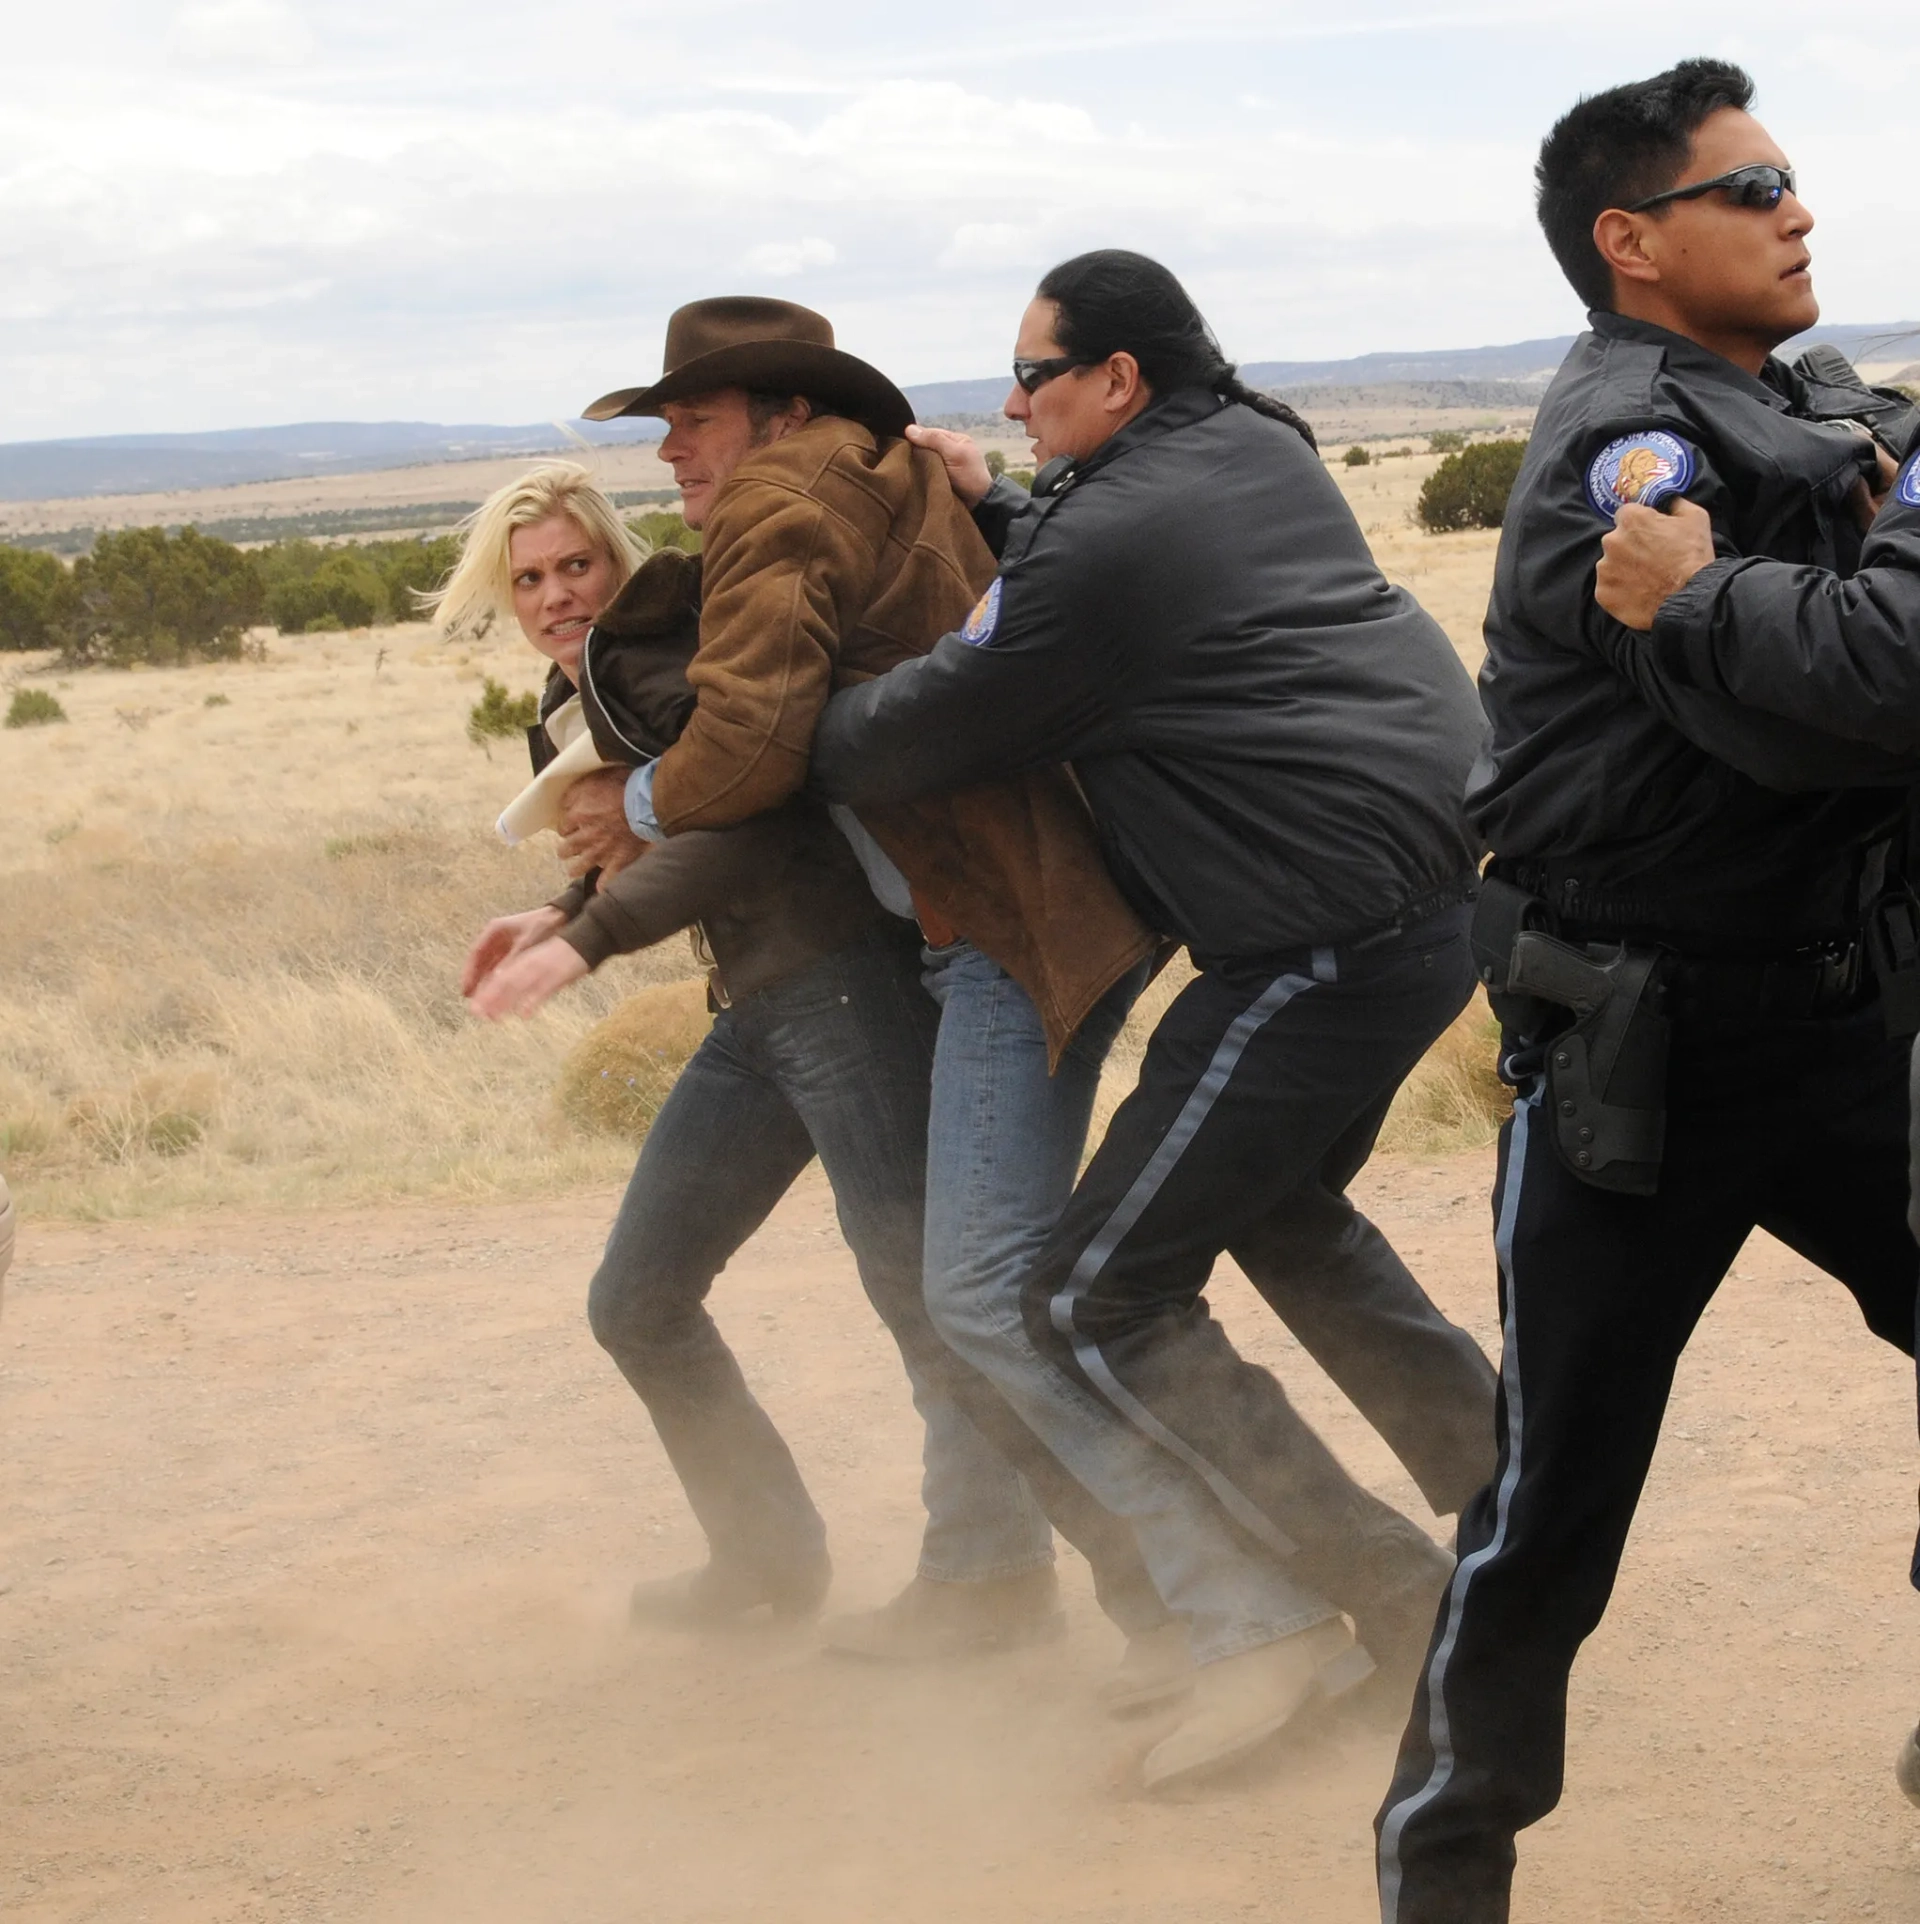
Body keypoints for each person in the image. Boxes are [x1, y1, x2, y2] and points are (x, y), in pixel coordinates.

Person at [562, 294, 1404, 1785]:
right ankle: (1240, 1605)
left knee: (993, 1293)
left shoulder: (785, 492)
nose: (674, 448)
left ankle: (1254, 1617)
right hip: (1003, 924)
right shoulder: (877, 476)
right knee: (1008, 1296)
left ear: (773, 408)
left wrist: (622, 810)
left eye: (690, 415)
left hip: (1009, 931)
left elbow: (752, 738)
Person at [808, 250, 1502, 1761]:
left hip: (1315, 942)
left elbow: (907, 734)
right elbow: (1086, 560)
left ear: (1118, 379)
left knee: (1087, 1292)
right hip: (1432, 899)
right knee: (1273, 1207)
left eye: (1033, 374)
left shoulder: (1108, 537)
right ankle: (1518, 1499)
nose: (1010, 400)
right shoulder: (1253, 439)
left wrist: (774, 716)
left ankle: (1403, 1605)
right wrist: (1002, 498)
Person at [1371, 62, 1920, 1921]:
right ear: (1633, 240)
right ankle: (1442, 1870)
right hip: (1645, 1051)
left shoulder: (1787, 395)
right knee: (1553, 1506)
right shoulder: (1629, 455)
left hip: (1845, 1020)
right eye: (1752, 184)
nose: (1800, 210)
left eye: (1793, 180)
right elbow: (1813, 717)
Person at [449, 462, 1170, 1645]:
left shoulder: (673, 665)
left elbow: (749, 818)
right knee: (639, 1298)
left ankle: (1027, 1576)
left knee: (930, 1299)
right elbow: (660, 838)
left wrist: (585, 925)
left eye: (577, 564)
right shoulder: (573, 697)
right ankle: (767, 1554)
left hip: (844, 993)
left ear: (617, 561)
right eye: (530, 577)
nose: (557, 593)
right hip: (755, 1012)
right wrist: (577, 893)